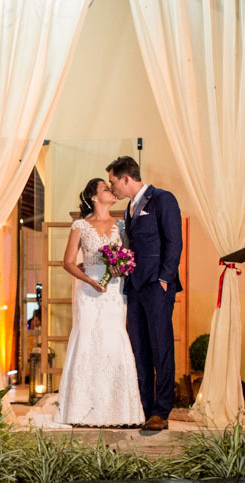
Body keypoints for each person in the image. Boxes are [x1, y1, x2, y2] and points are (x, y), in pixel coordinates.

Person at [54, 178, 145, 427]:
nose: (111, 190)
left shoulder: (122, 225)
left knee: (114, 341)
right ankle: (81, 409)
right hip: (88, 291)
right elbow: (68, 262)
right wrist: (89, 280)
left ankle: (119, 411)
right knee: (87, 339)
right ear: (94, 197)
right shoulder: (80, 226)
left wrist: (121, 268)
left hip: (114, 291)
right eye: (106, 188)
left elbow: (130, 257)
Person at [107, 156, 183, 432]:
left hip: (156, 285)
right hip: (135, 287)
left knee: (161, 347)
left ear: (126, 178)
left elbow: (174, 242)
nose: (112, 188)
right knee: (140, 348)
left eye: (113, 182)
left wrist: (164, 279)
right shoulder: (129, 209)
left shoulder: (163, 199)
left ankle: (161, 411)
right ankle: (144, 407)